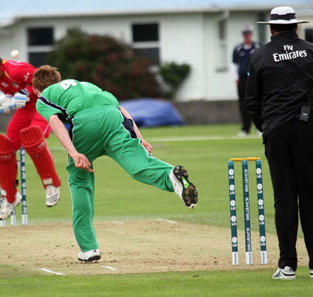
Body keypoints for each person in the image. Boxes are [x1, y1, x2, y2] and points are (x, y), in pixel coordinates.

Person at [32, 65, 198, 262]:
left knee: (79, 180)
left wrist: (74, 153)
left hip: (85, 125)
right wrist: (140, 138)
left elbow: (55, 122)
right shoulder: (86, 85)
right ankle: (171, 177)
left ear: (35, 90)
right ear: (58, 80)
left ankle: (88, 248)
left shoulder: (44, 97)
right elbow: (122, 110)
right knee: (139, 165)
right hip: (113, 118)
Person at [245, 7, 313, 279]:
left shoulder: (258, 56)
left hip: (277, 133)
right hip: (306, 130)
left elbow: (251, 102)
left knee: (284, 198)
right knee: (311, 197)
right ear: (295, 27)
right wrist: (312, 120)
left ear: (272, 28)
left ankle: (287, 266)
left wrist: (268, 127)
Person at [0, 49, 61, 220]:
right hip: (27, 109)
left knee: (33, 140)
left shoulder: (14, 70)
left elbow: (47, 81)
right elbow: (16, 97)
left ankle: (52, 184)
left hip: (44, 104)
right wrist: (10, 102)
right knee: (4, 148)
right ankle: (10, 197)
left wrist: (24, 93)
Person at [232, 25, 261, 136]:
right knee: (243, 104)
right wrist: (235, 78)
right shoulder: (238, 49)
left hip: (255, 79)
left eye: (248, 34)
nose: (247, 36)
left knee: (258, 102)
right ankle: (245, 128)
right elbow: (233, 64)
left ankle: (259, 127)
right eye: (245, 34)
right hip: (243, 80)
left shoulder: (257, 47)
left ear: (251, 34)